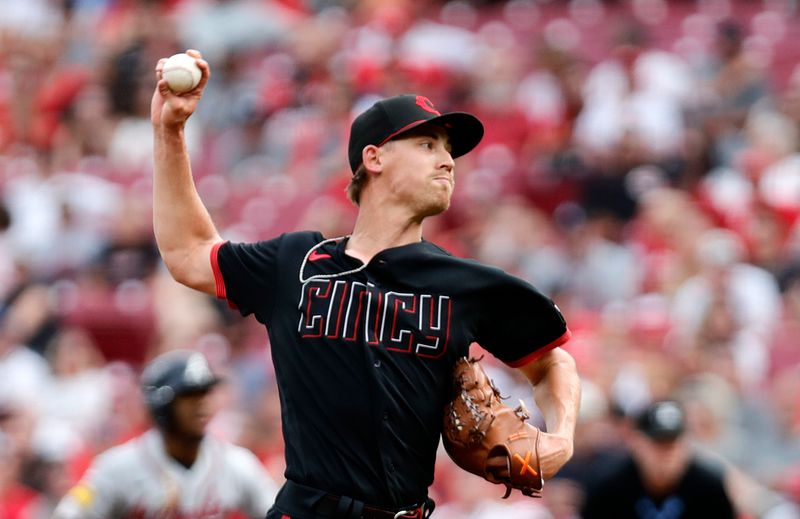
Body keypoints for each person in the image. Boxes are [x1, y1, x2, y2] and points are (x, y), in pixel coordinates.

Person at [150, 49, 581, 519]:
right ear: (373, 158)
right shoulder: (297, 262)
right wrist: (169, 131)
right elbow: (188, 254)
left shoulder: (467, 285)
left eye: (448, 150)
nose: (448, 162)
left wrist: (561, 438)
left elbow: (552, 362)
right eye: (428, 145)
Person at [52, 349, 278, 519]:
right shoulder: (117, 467)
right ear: (162, 405)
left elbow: (279, 512)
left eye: (204, 394)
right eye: (189, 396)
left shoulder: (237, 463)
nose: (201, 405)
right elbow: (70, 512)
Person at [580, 400, 736, 519]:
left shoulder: (709, 488)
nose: (666, 455)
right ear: (637, 442)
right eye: (658, 445)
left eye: (672, 445)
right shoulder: (609, 486)